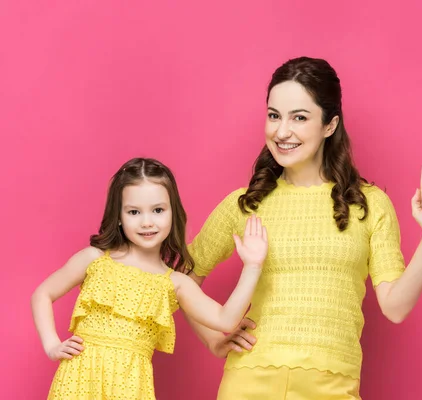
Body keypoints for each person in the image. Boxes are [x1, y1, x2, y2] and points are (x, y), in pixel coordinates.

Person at [186, 57, 422, 399]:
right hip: (249, 380)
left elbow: (395, 307)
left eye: (299, 117)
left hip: (332, 385)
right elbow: (179, 277)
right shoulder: (246, 203)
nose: (281, 131)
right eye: (273, 115)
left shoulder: (368, 205)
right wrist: (213, 336)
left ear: (330, 125)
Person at [31, 157, 268, 399]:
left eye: (158, 210)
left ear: (172, 212)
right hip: (77, 382)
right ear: (119, 216)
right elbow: (43, 294)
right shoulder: (95, 259)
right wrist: (52, 345)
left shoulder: (175, 282)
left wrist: (252, 265)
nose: (147, 222)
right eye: (134, 212)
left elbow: (225, 320)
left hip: (130, 388)